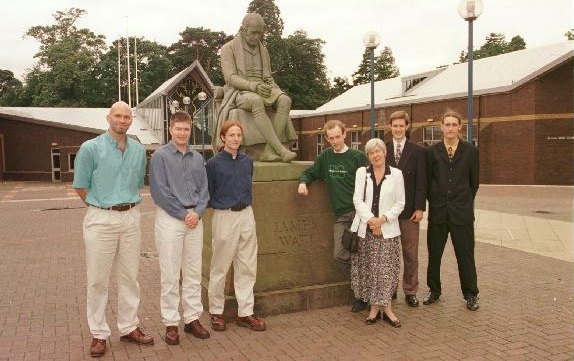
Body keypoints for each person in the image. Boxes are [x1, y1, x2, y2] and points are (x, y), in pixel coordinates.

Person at [73, 101, 154, 358]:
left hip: (131, 217)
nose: (122, 120)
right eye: (117, 115)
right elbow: (80, 186)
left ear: (131, 120)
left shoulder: (138, 150)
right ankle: (99, 333)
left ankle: (129, 327)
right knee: (98, 279)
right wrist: (101, 207)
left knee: (130, 277)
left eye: (127, 116)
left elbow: (137, 182)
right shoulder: (90, 148)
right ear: (108, 117)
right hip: (101, 218)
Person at [149, 111, 210, 345]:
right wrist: (185, 215)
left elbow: (204, 189)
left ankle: (192, 319)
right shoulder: (160, 157)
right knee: (171, 274)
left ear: (190, 129)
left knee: (193, 273)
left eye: (186, 129)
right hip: (171, 219)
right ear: (170, 129)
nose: (182, 133)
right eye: (178, 129)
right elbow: (159, 193)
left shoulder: (197, 158)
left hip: (195, 217)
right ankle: (171, 323)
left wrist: (198, 212)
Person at [297, 119, 368, 312]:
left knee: (364, 256)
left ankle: (363, 297)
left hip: (361, 215)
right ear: (327, 139)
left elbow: (371, 184)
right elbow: (311, 172)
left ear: (345, 134)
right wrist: (303, 182)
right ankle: (361, 290)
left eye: (338, 136)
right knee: (340, 256)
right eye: (331, 138)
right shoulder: (326, 157)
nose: (335, 141)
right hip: (343, 216)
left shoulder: (358, 157)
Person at [206, 120, 266, 332]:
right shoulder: (213, 164)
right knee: (220, 266)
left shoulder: (246, 161)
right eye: (231, 135)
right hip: (224, 216)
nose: (235, 138)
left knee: (247, 265)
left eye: (238, 135)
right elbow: (209, 192)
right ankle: (216, 312)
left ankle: (245, 313)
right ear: (223, 137)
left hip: (246, 215)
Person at [216, 12, 297, 162]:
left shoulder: (263, 50)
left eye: (260, 33)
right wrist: (253, 86)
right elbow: (231, 78)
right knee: (255, 101)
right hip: (240, 91)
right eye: (253, 33)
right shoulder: (228, 48)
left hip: (263, 88)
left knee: (285, 100)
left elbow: (267, 77)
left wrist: (275, 89)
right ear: (243, 29)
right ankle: (279, 149)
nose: (256, 37)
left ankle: (269, 150)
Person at [424, 110, 480, 311]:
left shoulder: (471, 151)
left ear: (459, 127)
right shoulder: (431, 152)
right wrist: (437, 200)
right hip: (438, 212)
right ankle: (434, 290)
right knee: (435, 254)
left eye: (453, 125)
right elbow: (428, 182)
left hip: (461, 214)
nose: (450, 128)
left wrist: (462, 201)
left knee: (465, 255)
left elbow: (474, 183)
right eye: (446, 124)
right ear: (441, 127)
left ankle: (471, 294)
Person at [350, 138, 405, 327]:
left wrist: (382, 220)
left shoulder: (396, 174)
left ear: (385, 152)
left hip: (388, 230)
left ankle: (388, 309)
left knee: (387, 271)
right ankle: (374, 309)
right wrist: (372, 221)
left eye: (378, 151)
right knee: (372, 270)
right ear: (368, 156)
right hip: (367, 229)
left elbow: (400, 203)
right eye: (371, 152)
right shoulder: (361, 173)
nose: (375, 155)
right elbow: (357, 200)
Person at [385, 111, 427, 307]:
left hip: (409, 212)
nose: (398, 129)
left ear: (407, 127)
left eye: (402, 126)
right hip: (388, 213)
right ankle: (389, 290)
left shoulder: (418, 151)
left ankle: (410, 291)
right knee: (390, 254)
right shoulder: (382, 149)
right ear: (390, 127)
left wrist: (420, 208)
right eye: (395, 126)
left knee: (410, 254)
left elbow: (422, 182)